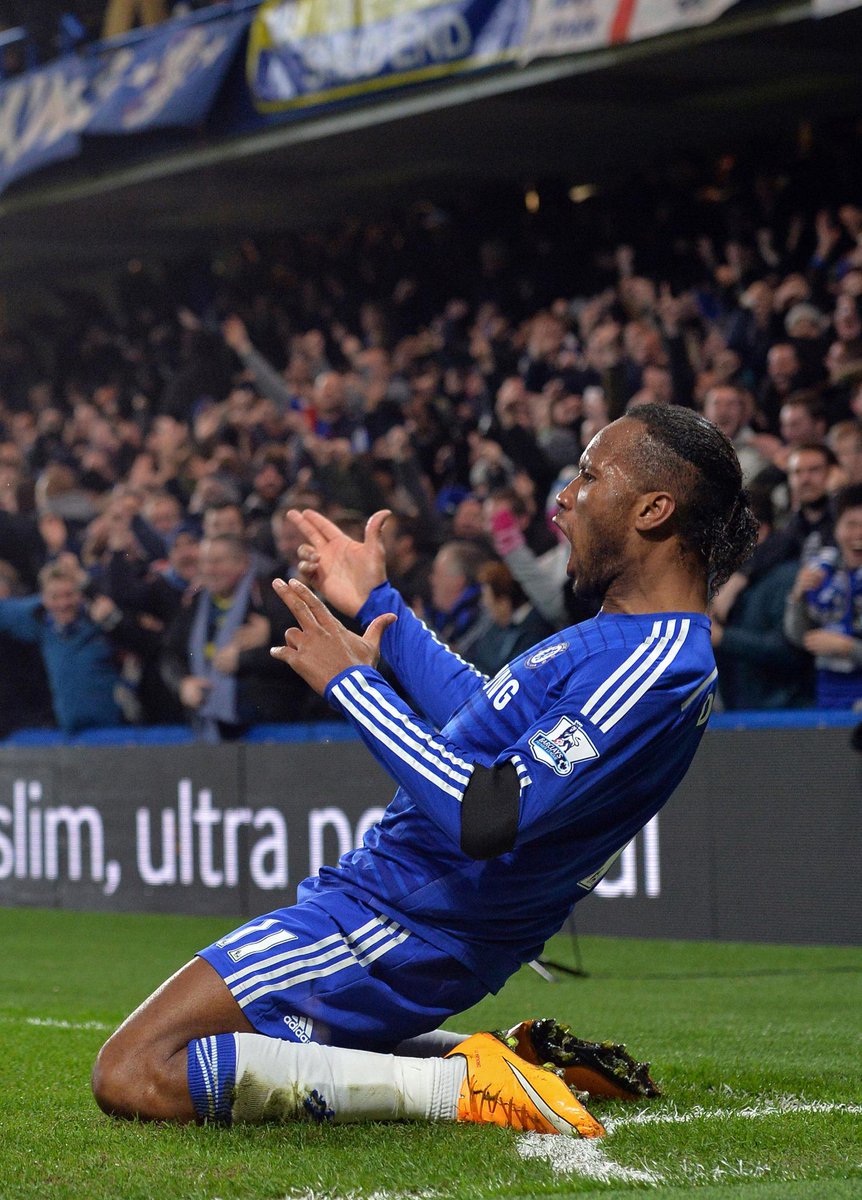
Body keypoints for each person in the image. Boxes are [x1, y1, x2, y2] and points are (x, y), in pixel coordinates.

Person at [92, 404, 755, 1136]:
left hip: (398, 920)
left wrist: (351, 685)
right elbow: (480, 718)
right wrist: (379, 607)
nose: (564, 497)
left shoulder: (657, 661)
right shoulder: (625, 642)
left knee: (135, 1070)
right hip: (415, 919)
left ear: (654, 510)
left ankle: (459, 1085)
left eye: (590, 476)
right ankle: (498, 1059)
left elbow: (489, 813)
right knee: (230, 1050)